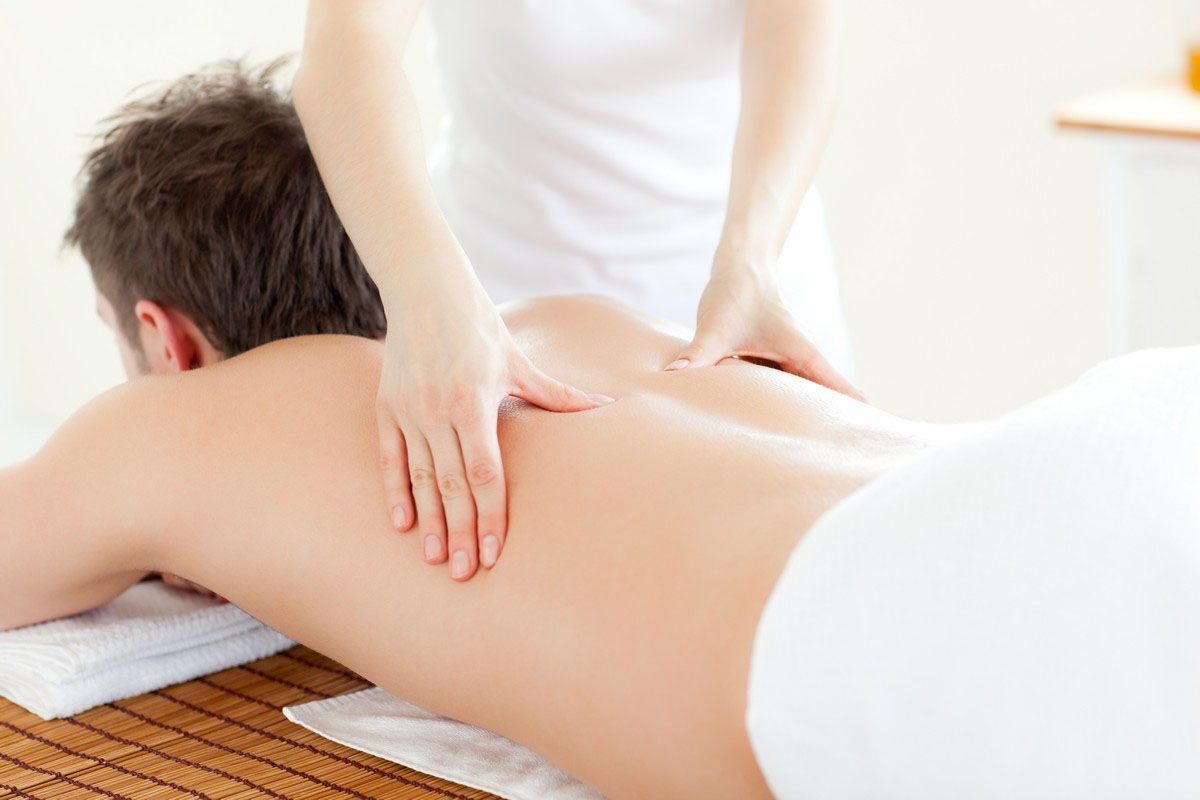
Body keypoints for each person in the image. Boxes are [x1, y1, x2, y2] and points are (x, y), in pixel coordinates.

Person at [17, 63, 1196, 799]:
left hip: (920, 624)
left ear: (165, 340)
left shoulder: (184, 426)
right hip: (1107, 433)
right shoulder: (580, 320)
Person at [293, 0, 861, 579]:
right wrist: (423, 298)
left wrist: (751, 261)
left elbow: (797, 35)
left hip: (748, 304)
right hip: (490, 328)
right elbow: (345, 48)